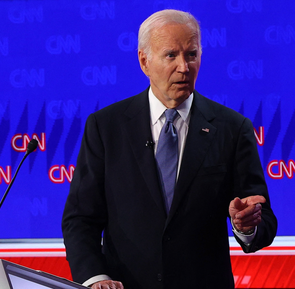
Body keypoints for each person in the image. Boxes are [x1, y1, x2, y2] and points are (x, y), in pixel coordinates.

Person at [62, 9, 277, 289]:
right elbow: (81, 218)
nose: (184, 67)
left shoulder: (232, 128)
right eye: (171, 55)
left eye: (191, 54)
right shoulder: (105, 127)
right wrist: (95, 278)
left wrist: (247, 226)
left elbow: (263, 218)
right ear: (144, 61)